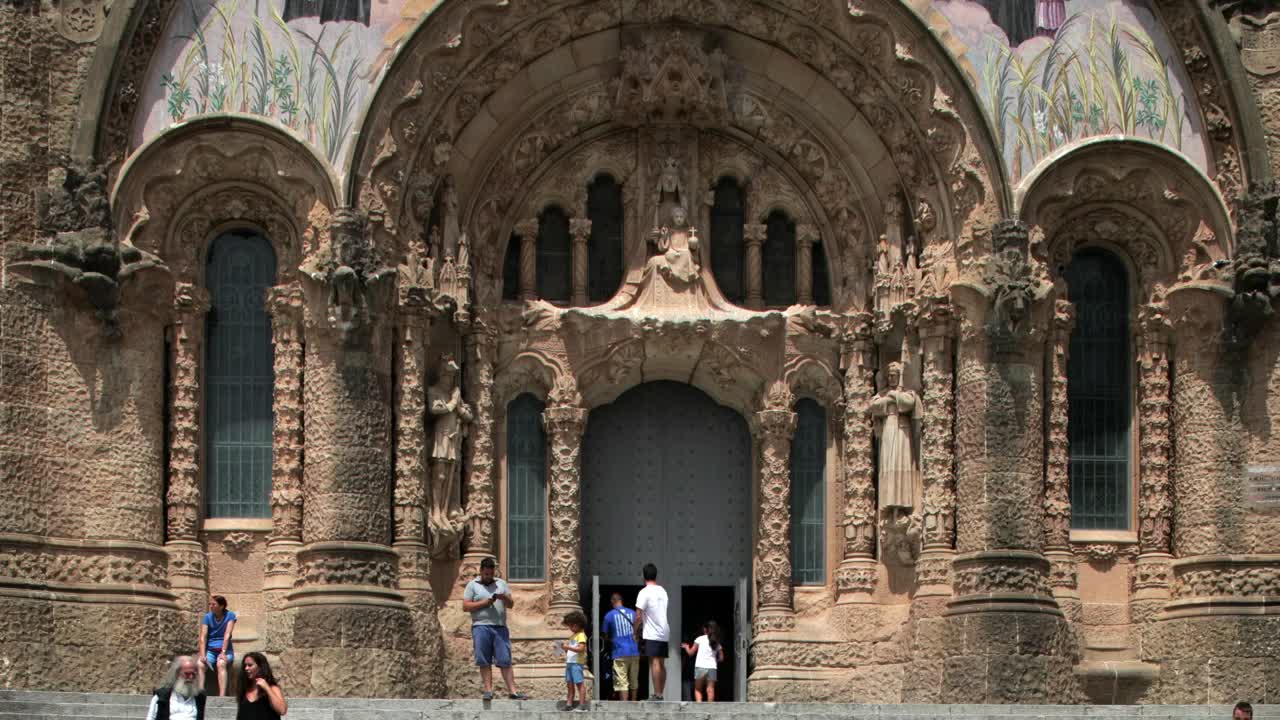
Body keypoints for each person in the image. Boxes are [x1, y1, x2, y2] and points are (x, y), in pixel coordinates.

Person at [462, 556, 529, 701]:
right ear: (481, 571)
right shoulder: (472, 585)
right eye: (486, 574)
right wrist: (485, 602)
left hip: (500, 628)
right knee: (484, 660)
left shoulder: (502, 584)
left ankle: (513, 692)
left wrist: (503, 597)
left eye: (491, 574)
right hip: (480, 626)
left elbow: (511, 604)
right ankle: (488, 691)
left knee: (505, 659)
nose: (488, 577)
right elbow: (466, 606)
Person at [634, 563, 670, 701]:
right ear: (656, 575)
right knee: (661, 663)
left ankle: (657, 694)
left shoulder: (644, 592)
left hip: (653, 631)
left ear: (643, 576)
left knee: (654, 661)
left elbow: (638, 615)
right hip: (664, 630)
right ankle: (660, 692)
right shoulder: (662, 591)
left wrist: (635, 630)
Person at [601, 593, 639, 700]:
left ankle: (625, 704)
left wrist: (610, 640)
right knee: (634, 678)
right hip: (634, 651)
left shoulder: (609, 615)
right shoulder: (633, 613)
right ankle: (634, 701)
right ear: (621, 600)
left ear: (613, 601)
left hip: (619, 652)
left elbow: (604, 634)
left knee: (622, 680)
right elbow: (639, 630)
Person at [197, 595, 236, 696]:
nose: (211, 606)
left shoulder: (230, 615)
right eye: (210, 604)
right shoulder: (207, 617)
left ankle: (221, 696)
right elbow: (203, 636)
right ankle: (200, 692)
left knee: (221, 664)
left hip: (225, 649)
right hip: (211, 650)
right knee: (200, 664)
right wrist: (202, 654)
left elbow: (227, 635)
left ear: (222, 606)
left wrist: (223, 652)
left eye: (213, 604)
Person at [146, 656, 206, 720]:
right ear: (177, 674)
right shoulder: (161, 696)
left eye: (193, 674)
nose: (191, 677)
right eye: (187, 674)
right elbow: (150, 717)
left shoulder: (199, 697)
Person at [681, 621, 725, 702]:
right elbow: (721, 658)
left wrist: (687, 647)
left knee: (698, 689)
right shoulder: (716, 642)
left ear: (705, 629)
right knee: (710, 689)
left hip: (700, 667)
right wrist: (715, 660)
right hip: (712, 667)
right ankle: (709, 709)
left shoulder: (699, 639)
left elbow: (691, 653)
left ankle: (699, 708)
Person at [235, 652, 287, 720]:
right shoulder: (244, 689)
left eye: (250, 665)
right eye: (245, 665)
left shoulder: (273, 688)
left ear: (260, 667)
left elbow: (282, 710)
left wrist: (267, 688)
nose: (246, 668)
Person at [560, 610, 589, 712]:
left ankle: (582, 705)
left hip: (576, 663)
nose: (570, 628)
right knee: (569, 684)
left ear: (578, 624)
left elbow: (581, 649)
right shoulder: (573, 636)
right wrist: (565, 649)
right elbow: (572, 649)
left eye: (571, 626)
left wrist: (568, 647)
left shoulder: (581, 635)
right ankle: (569, 704)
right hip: (570, 663)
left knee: (579, 684)